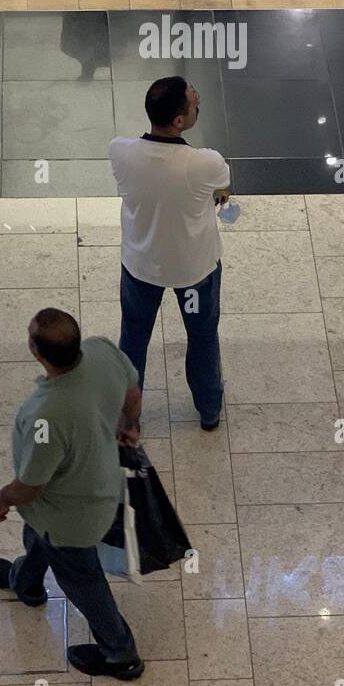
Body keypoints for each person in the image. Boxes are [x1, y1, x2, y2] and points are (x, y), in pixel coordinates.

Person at [0, 307, 145, 682]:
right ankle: (27, 584)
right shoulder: (102, 351)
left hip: (70, 518)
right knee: (36, 536)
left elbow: (31, 485)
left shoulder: (45, 416)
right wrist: (128, 424)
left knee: (82, 581)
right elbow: (132, 392)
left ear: (36, 352)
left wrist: (0, 498)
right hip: (94, 485)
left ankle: (121, 655)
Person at [109, 76, 231, 431]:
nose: (198, 104)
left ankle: (127, 418)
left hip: (141, 266)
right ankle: (209, 410)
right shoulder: (205, 163)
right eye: (195, 104)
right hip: (195, 271)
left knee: (133, 337)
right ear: (179, 121)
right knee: (203, 335)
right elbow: (222, 185)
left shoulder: (121, 151)